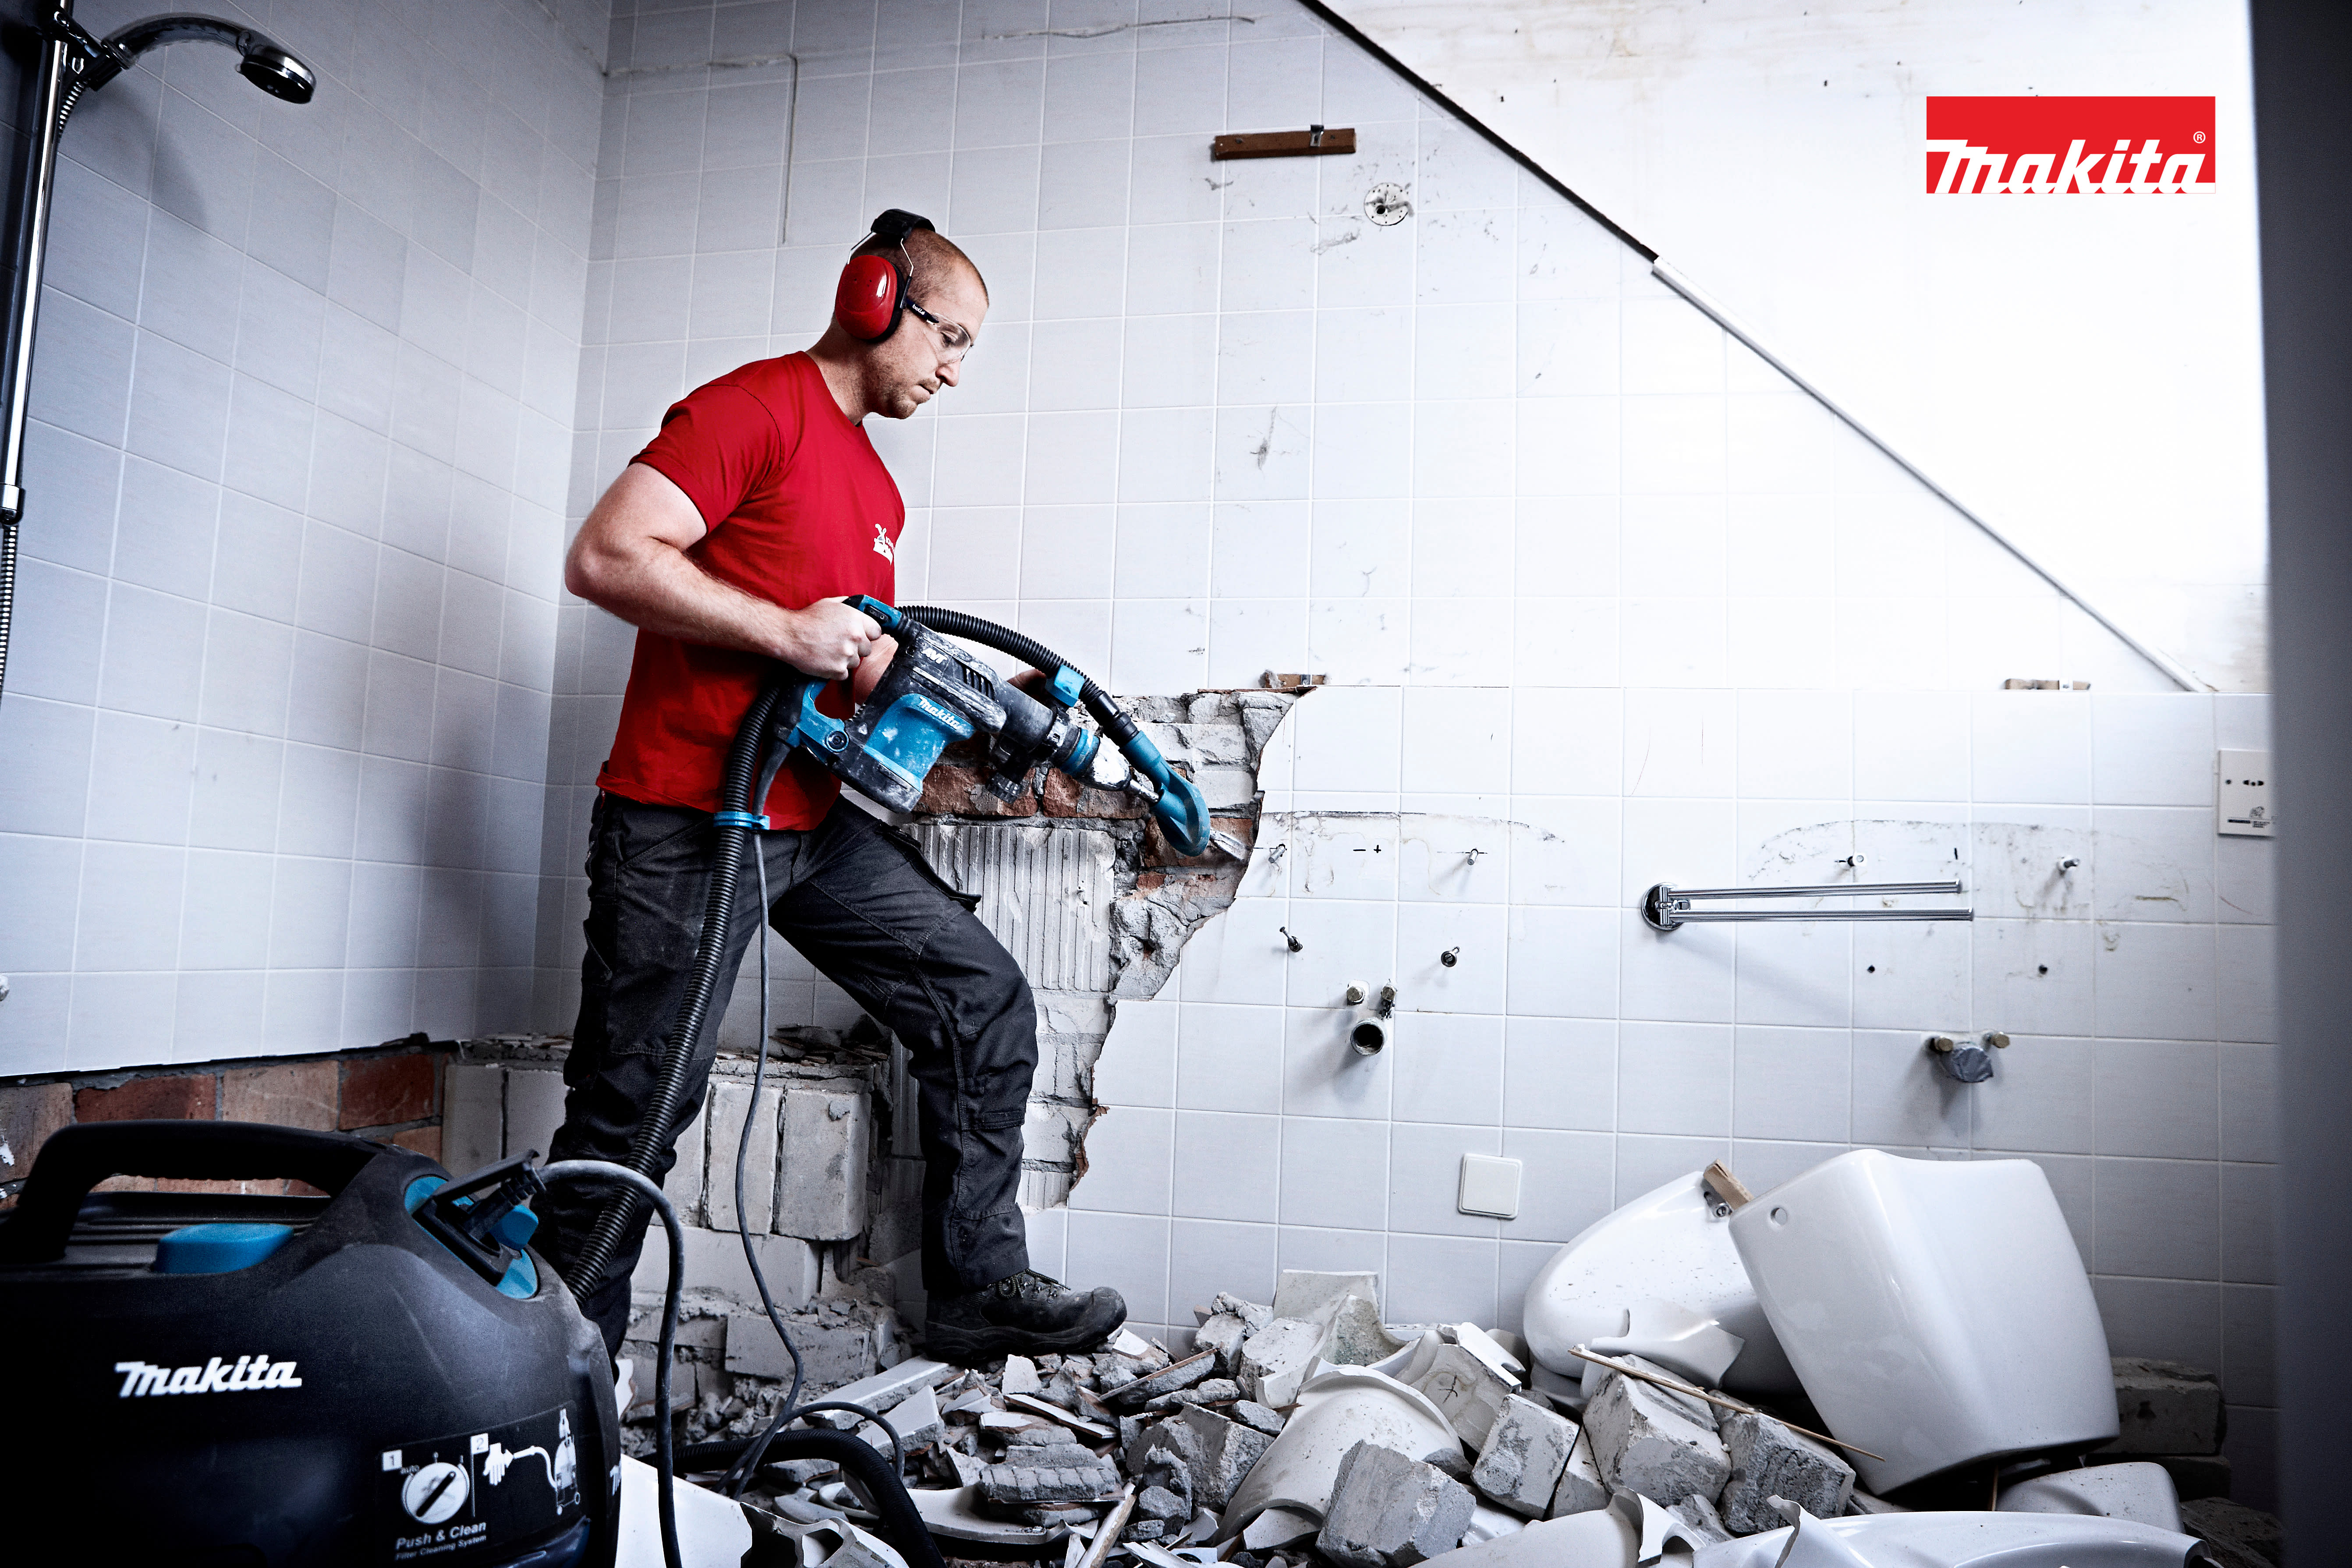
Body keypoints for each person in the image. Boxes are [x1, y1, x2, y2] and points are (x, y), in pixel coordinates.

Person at [539, 210, 1126, 1367]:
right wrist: (783, 631)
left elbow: (848, 666)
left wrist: (987, 708)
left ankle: (976, 1286)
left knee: (982, 1000)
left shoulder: (877, 492)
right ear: (875, 300)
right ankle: (556, 1374)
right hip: (686, 822)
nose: (954, 371)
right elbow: (606, 555)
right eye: (949, 337)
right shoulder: (752, 409)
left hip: (805, 819)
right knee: (640, 1102)